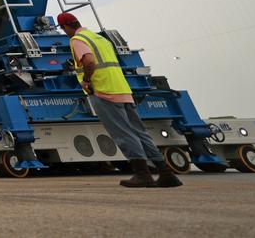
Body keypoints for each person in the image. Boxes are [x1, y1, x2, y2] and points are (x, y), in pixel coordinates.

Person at [56, 12, 181, 189]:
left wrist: (87, 80)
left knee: (124, 133)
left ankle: (142, 174)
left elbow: (89, 61)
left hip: (104, 91)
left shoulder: (78, 40)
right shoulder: (100, 39)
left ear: (65, 27)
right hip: (123, 90)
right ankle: (166, 173)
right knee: (140, 132)